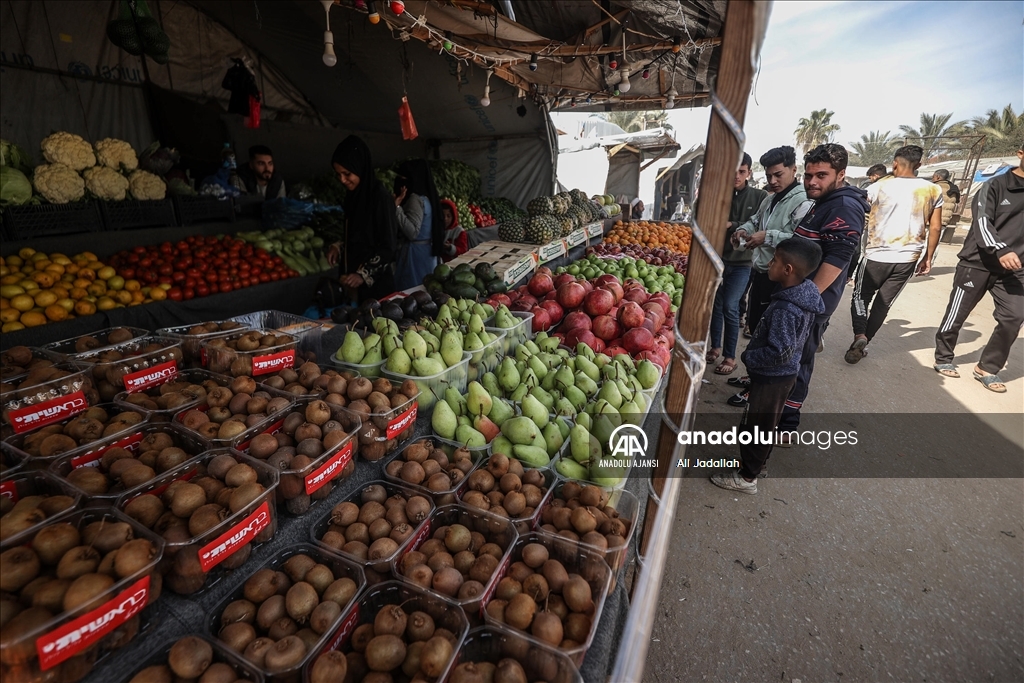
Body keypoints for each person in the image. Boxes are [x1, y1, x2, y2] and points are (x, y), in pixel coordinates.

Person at [711, 238, 824, 494]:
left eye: (774, 260)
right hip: (782, 376)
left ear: (787, 270)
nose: (769, 264)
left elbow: (780, 351)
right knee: (766, 425)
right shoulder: (803, 294)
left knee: (757, 427)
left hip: (773, 377)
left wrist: (750, 358)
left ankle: (747, 478)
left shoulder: (787, 308)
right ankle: (756, 464)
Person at [775, 144, 869, 434]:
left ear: (841, 175)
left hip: (810, 304)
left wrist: (806, 297)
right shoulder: (825, 200)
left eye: (822, 175)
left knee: (797, 363)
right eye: (808, 175)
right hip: (801, 299)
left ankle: (787, 425)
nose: (812, 181)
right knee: (790, 358)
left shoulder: (843, 206)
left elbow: (838, 258)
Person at [933, 143, 1024, 394]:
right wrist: (1001, 249)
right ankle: (943, 356)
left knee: (1014, 318)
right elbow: (983, 221)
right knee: (957, 313)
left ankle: (987, 367)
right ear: (1020, 153)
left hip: (1015, 269)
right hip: (979, 261)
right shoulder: (994, 185)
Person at [727, 146, 815, 399]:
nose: (773, 181)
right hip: (763, 272)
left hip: (782, 279)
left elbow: (801, 241)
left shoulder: (802, 201)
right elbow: (755, 220)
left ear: (793, 170)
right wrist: (743, 230)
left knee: (772, 338)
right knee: (756, 326)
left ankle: (757, 389)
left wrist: (769, 237)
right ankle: (752, 376)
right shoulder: (770, 198)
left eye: (778, 175)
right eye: (769, 176)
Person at [845, 146, 944, 363]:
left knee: (861, 296)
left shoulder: (879, 186)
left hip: (876, 255)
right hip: (907, 259)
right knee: (883, 304)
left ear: (895, 164)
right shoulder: (933, 190)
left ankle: (859, 334)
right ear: (919, 165)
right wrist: (928, 257)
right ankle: (865, 342)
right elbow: (935, 228)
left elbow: (856, 207)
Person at [707, 152, 768, 375]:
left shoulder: (760, 196)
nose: (737, 176)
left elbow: (761, 225)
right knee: (716, 305)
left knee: (730, 307)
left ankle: (730, 357)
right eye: (733, 172)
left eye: (741, 172)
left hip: (743, 264)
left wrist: (732, 224)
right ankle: (715, 347)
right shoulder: (721, 195)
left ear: (749, 173)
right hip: (718, 260)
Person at [326, 136, 398, 300]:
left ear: (360, 168)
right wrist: (338, 246)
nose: (342, 180)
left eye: (347, 174)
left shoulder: (380, 198)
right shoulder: (352, 196)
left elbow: (388, 246)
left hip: (377, 288)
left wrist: (363, 274)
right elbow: (357, 234)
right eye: (338, 175)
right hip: (352, 285)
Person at [392, 159, 444, 291]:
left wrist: (396, 207)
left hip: (415, 255)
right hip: (426, 252)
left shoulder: (415, 199)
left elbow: (412, 232)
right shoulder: (427, 197)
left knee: (413, 291)